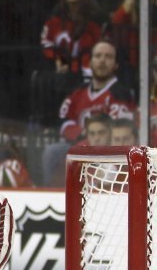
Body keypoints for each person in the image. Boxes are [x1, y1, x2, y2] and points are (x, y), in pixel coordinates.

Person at [42, 39, 135, 185]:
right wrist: (82, 134)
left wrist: (91, 138)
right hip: (79, 145)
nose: (102, 61)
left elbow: (118, 132)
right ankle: (54, 198)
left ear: (116, 64)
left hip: (106, 152)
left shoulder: (121, 93)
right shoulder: (78, 91)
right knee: (53, 152)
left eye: (108, 57)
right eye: (98, 56)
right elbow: (63, 121)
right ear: (90, 62)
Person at [40, 0, 101, 79]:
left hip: (87, 71)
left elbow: (99, 46)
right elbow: (46, 43)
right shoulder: (54, 18)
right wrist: (59, 59)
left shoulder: (94, 18)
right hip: (61, 70)